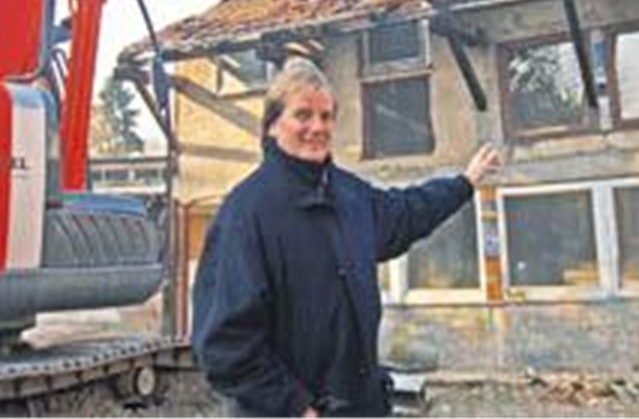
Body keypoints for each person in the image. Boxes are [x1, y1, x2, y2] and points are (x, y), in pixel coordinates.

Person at [191, 56, 501, 417]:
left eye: (326, 116)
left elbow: (408, 211)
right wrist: (295, 406)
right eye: (303, 115)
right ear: (273, 125)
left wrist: (463, 184)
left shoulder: (350, 197)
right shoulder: (246, 213)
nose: (317, 127)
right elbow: (223, 343)